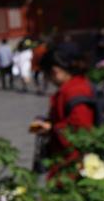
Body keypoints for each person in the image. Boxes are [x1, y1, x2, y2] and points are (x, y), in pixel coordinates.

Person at [30, 42, 95, 181]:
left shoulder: (74, 92)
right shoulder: (77, 85)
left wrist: (50, 128)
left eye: (47, 74)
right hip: (67, 164)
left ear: (55, 71)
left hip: (74, 169)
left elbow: (80, 134)